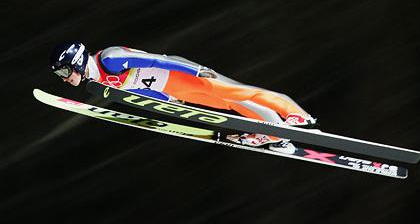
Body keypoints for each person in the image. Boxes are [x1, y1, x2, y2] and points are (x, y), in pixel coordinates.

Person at [50, 41, 317, 154]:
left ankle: (297, 114)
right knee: (229, 104)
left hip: (184, 75)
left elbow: (159, 60)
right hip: (177, 90)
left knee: (237, 92)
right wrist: (167, 100)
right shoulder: (98, 83)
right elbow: (140, 90)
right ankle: (276, 136)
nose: (64, 78)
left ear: (75, 61)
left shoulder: (109, 58)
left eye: (63, 70)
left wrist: (196, 69)